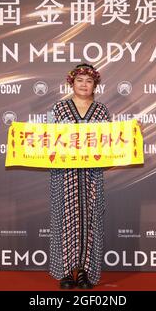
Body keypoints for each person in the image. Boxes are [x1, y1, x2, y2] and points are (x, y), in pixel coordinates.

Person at [48, 63, 110, 289]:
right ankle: (66, 273)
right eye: (80, 80)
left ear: (95, 84)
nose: (84, 85)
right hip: (65, 174)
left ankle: (84, 272)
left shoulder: (102, 110)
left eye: (89, 81)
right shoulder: (59, 108)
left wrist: (133, 134)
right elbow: (47, 138)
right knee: (65, 218)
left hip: (92, 174)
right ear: (71, 83)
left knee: (90, 220)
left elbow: (110, 142)